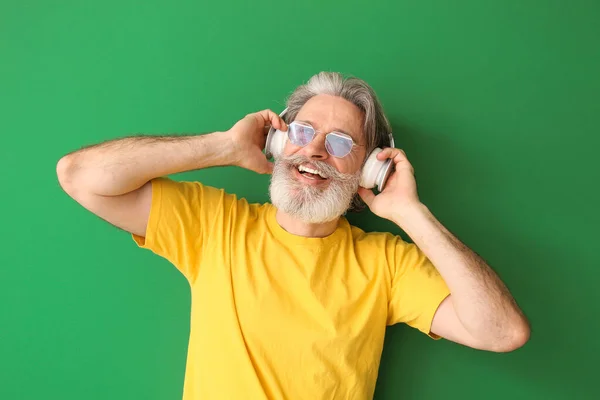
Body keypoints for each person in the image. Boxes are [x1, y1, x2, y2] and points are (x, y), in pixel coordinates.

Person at [56, 72, 530, 400]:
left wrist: (410, 212)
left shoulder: (385, 263)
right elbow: (79, 175)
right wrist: (224, 145)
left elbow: (502, 331)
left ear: (367, 168)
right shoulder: (214, 224)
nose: (316, 149)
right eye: (304, 130)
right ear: (281, 142)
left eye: (343, 143)